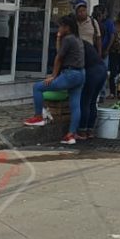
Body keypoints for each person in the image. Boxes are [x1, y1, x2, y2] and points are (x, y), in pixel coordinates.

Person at [24, 15, 86, 145]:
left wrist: (53, 75)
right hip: (80, 74)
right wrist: (58, 37)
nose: (59, 28)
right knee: (75, 105)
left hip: (70, 74)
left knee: (38, 87)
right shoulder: (77, 39)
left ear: (67, 27)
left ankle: (38, 117)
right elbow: (61, 52)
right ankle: (71, 134)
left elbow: (59, 58)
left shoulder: (68, 39)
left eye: (61, 26)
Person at [74, 0, 105, 140]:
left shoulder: (93, 22)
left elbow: (98, 39)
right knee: (91, 101)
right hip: (94, 65)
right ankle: (89, 130)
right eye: (79, 11)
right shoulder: (74, 24)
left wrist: (99, 54)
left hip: (91, 63)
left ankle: (83, 131)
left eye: (84, 10)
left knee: (86, 100)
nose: (82, 13)